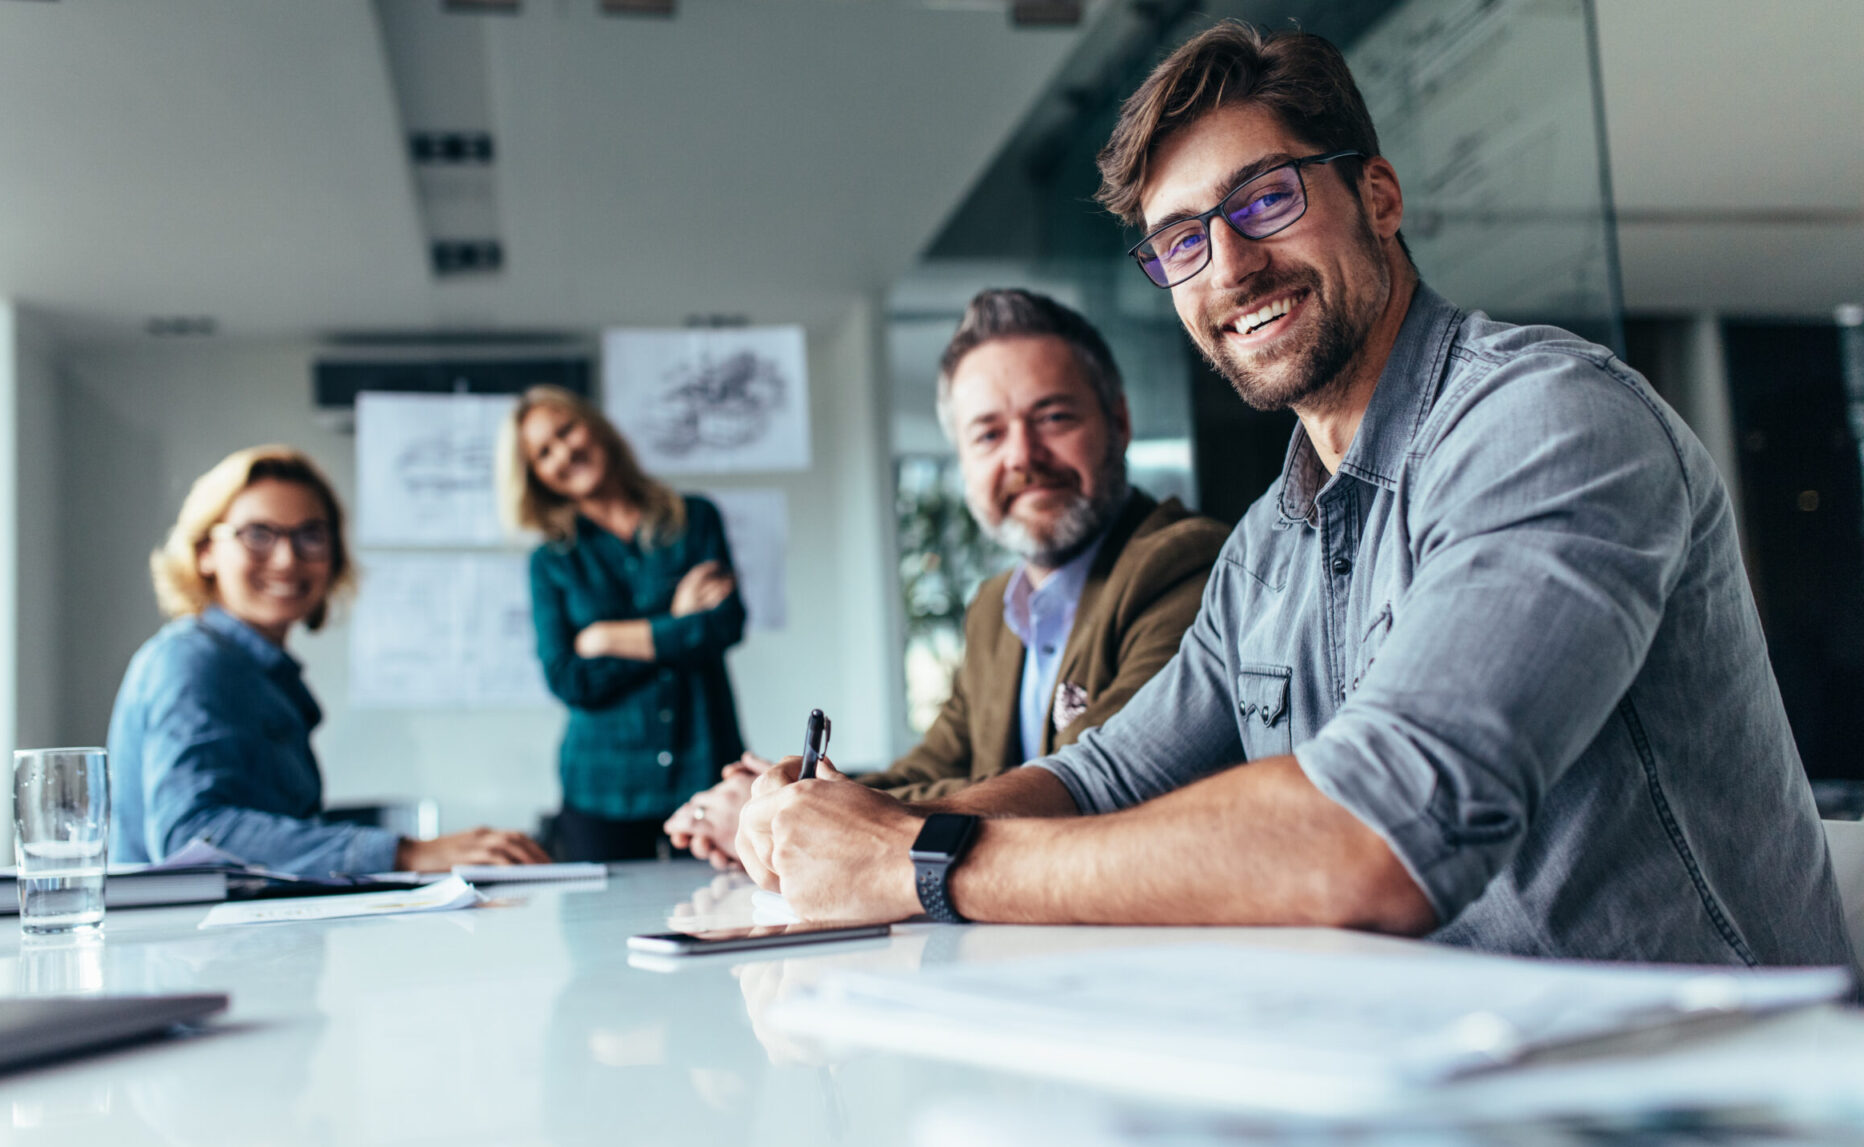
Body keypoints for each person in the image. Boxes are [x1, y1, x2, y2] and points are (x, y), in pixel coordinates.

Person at [734, 21, 1854, 968]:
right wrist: (861, 827)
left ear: (1377, 193)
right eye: (1180, 241)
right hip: (1443, 1070)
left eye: (1264, 200)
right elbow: (1104, 774)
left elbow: (1376, 836)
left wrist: (921, 862)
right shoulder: (1270, 543)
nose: (1228, 267)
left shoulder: (1547, 422)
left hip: (1709, 1087)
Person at [664, 289, 1230, 868]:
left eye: (1054, 417)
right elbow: (936, 766)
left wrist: (802, 816)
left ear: (1119, 421)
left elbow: (1088, 784)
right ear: (963, 459)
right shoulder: (994, 608)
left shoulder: (1182, 565)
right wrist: (793, 800)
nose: (1022, 456)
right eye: (988, 434)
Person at [110, 445, 548, 877]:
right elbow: (192, 835)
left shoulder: (262, 673)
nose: (287, 559)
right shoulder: (193, 662)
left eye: (311, 536)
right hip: (183, 946)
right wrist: (405, 853)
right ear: (205, 550)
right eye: (257, 535)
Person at [500, 385, 746, 861]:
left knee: (724, 917)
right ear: (535, 476)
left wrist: (607, 637)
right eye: (543, 452)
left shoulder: (695, 519)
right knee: (600, 933)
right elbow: (569, 678)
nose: (564, 452)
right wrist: (676, 621)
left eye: (566, 430)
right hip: (602, 788)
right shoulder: (551, 561)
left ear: (593, 425)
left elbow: (724, 626)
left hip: (705, 767)